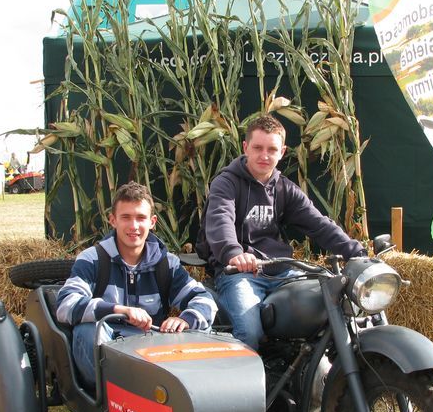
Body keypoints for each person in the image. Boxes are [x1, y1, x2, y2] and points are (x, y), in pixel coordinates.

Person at [201, 114, 367, 349]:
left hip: (281, 272)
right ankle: (253, 385)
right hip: (239, 273)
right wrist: (233, 253)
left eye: (272, 149)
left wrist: (356, 252)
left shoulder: (284, 188)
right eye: (258, 148)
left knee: (332, 308)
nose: (264, 155)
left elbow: (318, 223)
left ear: (282, 151)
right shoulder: (227, 183)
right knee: (249, 331)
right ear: (245, 147)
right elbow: (220, 219)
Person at [56, 182, 217, 389]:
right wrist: (118, 310)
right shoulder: (93, 259)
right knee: (88, 330)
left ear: (152, 222)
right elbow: (65, 305)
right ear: (112, 220)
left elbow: (204, 299)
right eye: (126, 217)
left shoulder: (166, 263)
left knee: (204, 328)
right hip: (108, 345)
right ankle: (108, 397)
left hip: (149, 346)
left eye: (141, 218)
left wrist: (185, 320)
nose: (134, 226)